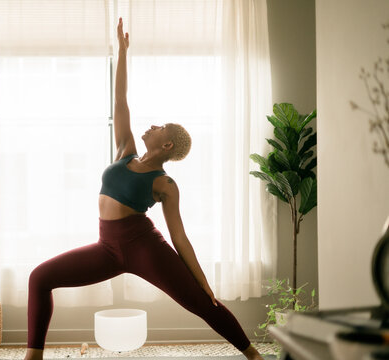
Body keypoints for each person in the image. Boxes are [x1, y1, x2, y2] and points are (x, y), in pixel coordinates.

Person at [24, 18, 265, 360]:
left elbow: (179, 237)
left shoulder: (165, 184)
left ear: (167, 145)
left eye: (158, 127)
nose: (150, 126)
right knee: (40, 277)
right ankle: (33, 356)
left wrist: (202, 280)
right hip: (107, 247)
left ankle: (253, 354)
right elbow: (120, 100)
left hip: (144, 248)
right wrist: (122, 52)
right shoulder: (125, 151)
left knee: (201, 302)